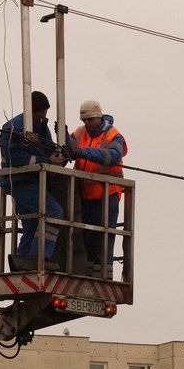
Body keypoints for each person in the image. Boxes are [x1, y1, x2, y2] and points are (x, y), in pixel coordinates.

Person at [0, 91, 66, 272]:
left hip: (31, 181)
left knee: (31, 224)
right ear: (31, 111)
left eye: (45, 112)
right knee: (53, 212)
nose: (43, 116)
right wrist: (45, 161)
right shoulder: (13, 127)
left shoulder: (40, 126)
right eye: (40, 112)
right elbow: (15, 157)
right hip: (20, 181)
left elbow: (48, 147)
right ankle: (39, 257)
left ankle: (21, 262)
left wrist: (59, 152)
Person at [69, 100, 128, 278]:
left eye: (90, 119)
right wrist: (63, 137)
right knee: (88, 237)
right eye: (84, 120)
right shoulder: (80, 133)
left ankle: (104, 276)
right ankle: (89, 274)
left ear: (99, 117)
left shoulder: (113, 135)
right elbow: (69, 146)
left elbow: (113, 156)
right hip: (87, 195)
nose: (86, 124)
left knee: (104, 237)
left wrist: (81, 151)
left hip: (108, 194)